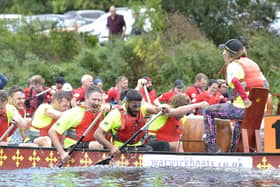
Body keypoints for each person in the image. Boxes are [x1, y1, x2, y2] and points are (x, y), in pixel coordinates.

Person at [203, 38, 268, 153]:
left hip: (242, 109)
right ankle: (234, 152)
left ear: (228, 53)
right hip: (257, 111)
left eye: (224, 51)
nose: (223, 53)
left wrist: (245, 99)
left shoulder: (233, 65)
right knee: (238, 124)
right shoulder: (253, 64)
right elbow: (265, 85)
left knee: (208, 111)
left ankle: (212, 146)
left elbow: (235, 81)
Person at [94, 89, 170, 155]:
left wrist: (163, 107)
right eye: (134, 106)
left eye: (138, 106)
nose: (137, 109)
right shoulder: (115, 114)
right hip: (122, 149)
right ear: (126, 103)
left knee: (163, 145)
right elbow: (97, 134)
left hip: (139, 147)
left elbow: (156, 110)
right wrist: (111, 147)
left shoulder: (142, 107)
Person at [49, 86, 108, 163]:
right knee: (96, 145)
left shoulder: (102, 111)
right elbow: (52, 131)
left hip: (92, 145)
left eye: (99, 100)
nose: (96, 103)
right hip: (73, 146)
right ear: (86, 98)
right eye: (94, 100)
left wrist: (109, 107)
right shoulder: (74, 112)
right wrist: (62, 153)